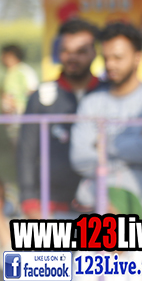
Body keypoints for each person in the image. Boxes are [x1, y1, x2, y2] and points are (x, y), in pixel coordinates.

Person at [69, 22, 142, 218]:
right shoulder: (91, 103)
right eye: (106, 58)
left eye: (118, 58)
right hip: (98, 209)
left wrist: (103, 145)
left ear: (137, 58)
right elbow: (80, 159)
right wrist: (135, 144)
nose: (110, 65)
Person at [17, 19, 101, 219]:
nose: (72, 57)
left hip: (104, 205)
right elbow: (26, 151)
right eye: (65, 51)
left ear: (94, 53)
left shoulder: (107, 94)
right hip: (52, 206)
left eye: (81, 51)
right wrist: (29, 201)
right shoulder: (42, 97)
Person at [1, 43, 40, 146]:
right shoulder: (10, 72)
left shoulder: (25, 71)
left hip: (23, 121)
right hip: (12, 123)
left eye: (3, 55)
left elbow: (33, 93)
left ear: (10, 55)